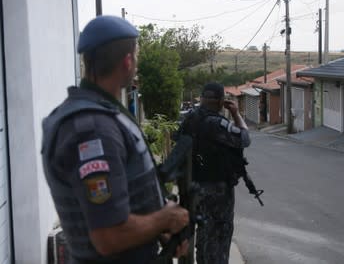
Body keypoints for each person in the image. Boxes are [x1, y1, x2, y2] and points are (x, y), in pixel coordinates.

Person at [41, 15, 189, 263]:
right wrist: (165, 218)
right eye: (137, 57)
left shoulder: (102, 116)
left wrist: (158, 233)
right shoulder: (93, 129)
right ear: (128, 61)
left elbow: (124, 203)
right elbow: (108, 236)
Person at [179, 82, 251, 264]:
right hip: (217, 191)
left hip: (192, 187)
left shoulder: (188, 121)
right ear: (221, 102)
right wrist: (235, 113)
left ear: (201, 99)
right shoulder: (218, 124)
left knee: (203, 234)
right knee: (219, 236)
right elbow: (245, 138)